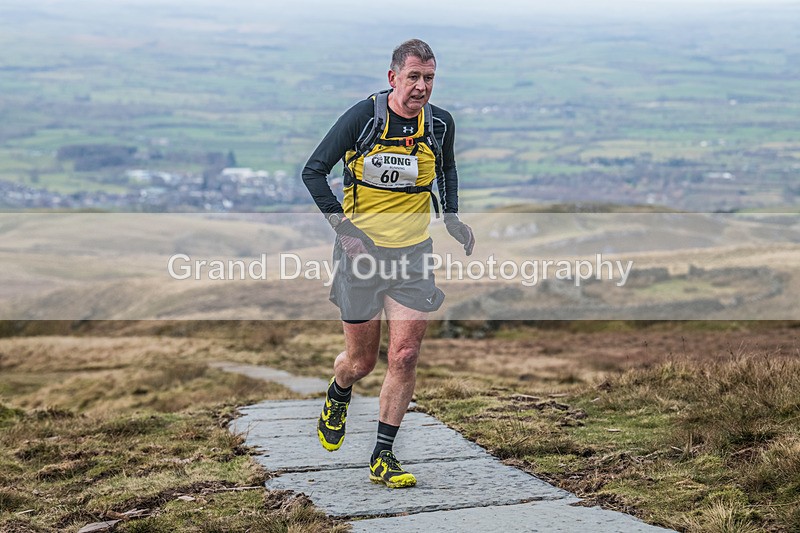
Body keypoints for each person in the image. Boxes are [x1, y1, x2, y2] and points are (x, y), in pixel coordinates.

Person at [301, 38, 475, 489]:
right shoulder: (364, 118)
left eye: (430, 78)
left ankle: (383, 455)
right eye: (414, 77)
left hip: (413, 255)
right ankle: (339, 393)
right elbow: (313, 171)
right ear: (393, 77)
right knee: (360, 362)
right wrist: (345, 231)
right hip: (361, 256)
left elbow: (447, 170)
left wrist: (451, 218)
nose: (422, 87)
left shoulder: (439, 124)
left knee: (405, 354)